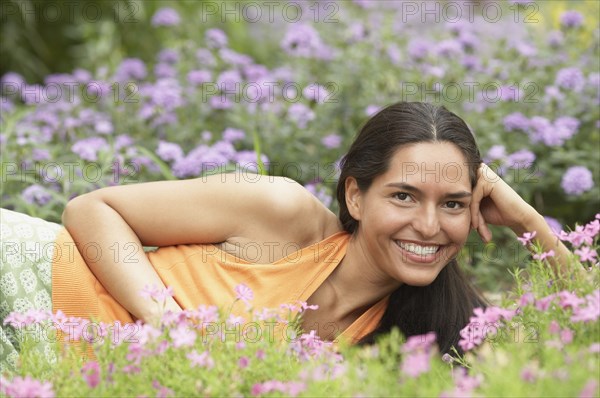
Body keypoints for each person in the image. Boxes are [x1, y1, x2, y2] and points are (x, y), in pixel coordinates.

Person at [0, 101, 572, 371]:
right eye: (403, 195)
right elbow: (91, 209)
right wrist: (168, 325)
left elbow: (576, 339)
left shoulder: (426, 325)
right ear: (355, 195)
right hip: (30, 279)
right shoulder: (281, 213)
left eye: (452, 204)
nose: (428, 226)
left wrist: (528, 221)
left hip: (57, 374)